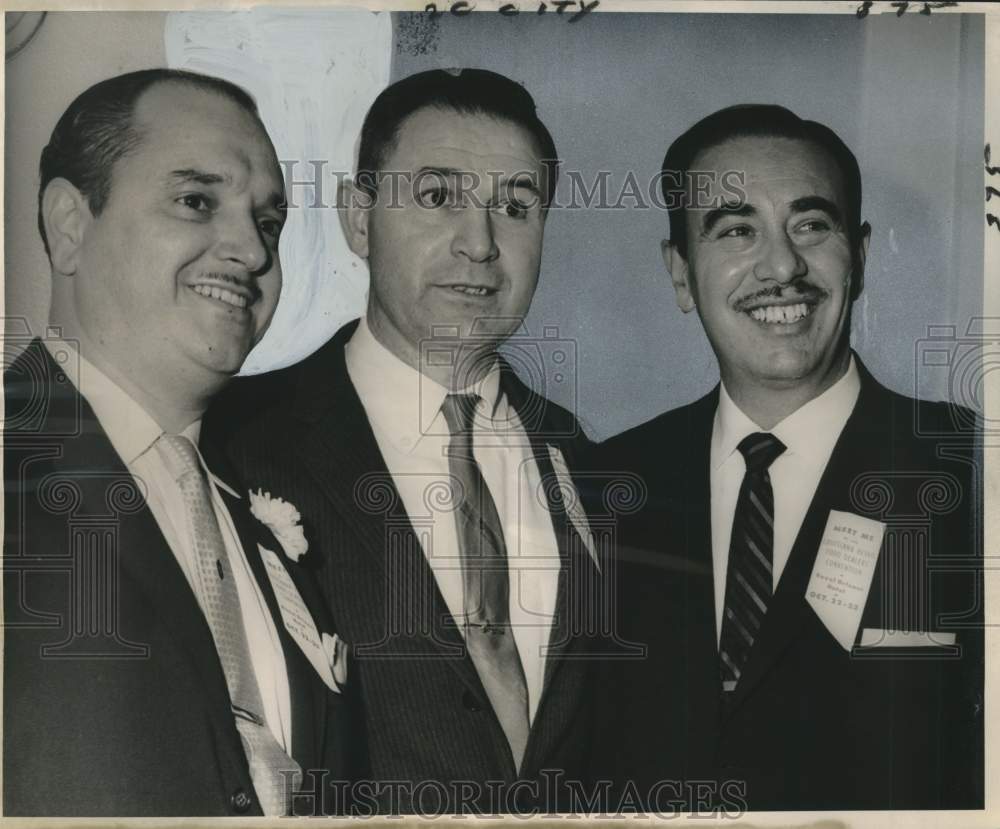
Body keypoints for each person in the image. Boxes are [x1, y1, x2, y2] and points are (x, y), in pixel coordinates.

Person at [209, 68, 601, 814]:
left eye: (515, 207)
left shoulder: (581, 455)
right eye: (437, 197)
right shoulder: (234, 439)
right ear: (360, 220)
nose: (481, 243)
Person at [590, 104, 983, 812]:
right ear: (680, 273)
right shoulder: (610, 485)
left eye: (811, 225)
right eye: (737, 230)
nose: (781, 266)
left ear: (858, 257)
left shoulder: (968, 472)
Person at [3, 69, 358, 817]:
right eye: (197, 201)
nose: (254, 254)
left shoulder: (266, 507)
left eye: (268, 224)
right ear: (70, 223)